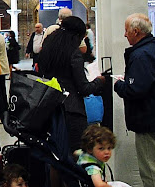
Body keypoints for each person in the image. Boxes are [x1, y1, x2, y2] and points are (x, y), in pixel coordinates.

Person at [113, 13, 155, 187]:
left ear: (136, 31)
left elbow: (136, 89)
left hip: (148, 120)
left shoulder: (140, 55)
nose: (125, 34)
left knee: (152, 171)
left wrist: (119, 85)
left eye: (127, 30)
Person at [37, 16, 105, 153]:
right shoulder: (73, 53)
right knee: (75, 153)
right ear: (77, 35)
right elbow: (84, 88)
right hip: (71, 110)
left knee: (54, 155)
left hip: (49, 107)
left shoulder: (47, 48)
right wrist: (100, 80)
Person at [76, 125, 155, 187]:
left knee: (120, 186)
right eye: (101, 148)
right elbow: (99, 185)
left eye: (109, 148)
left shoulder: (84, 155)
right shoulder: (93, 168)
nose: (106, 152)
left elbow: (76, 153)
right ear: (90, 149)